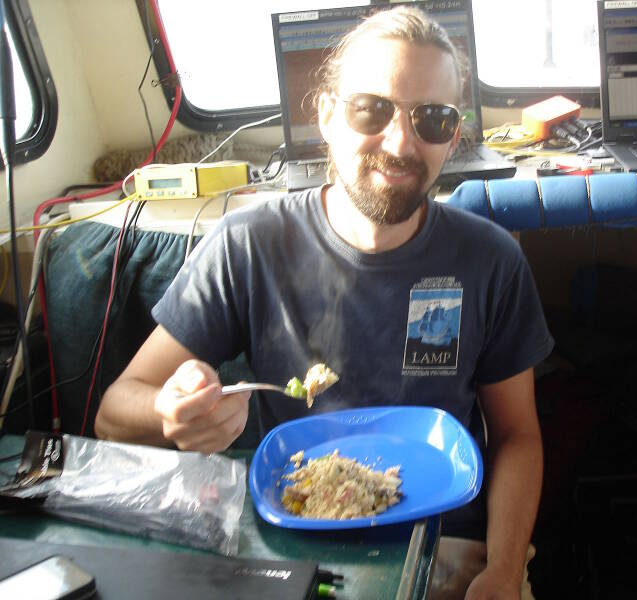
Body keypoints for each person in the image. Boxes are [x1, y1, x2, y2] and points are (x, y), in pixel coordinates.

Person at [95, 6, 553, 599]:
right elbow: (113, 413)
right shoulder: (248, 247)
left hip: (450, 547)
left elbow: (518, 436)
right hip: (296, 541)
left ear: (455, 135)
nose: (400, 142)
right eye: (373, 109)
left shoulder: (491, 261)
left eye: (432, 120)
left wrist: (505, 570)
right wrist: (170, 415)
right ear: (328, 116)